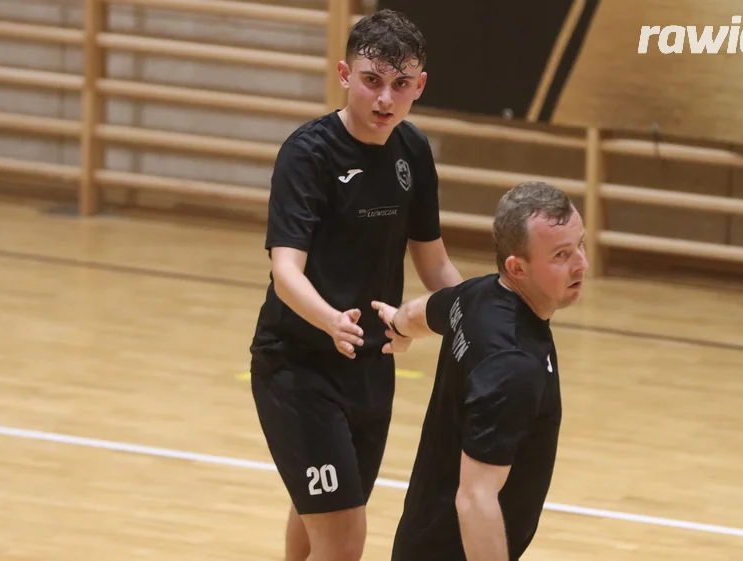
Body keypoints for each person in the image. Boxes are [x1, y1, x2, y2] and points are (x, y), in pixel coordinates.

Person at [247, 8, 462, 561]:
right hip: (298, 367)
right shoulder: (308, 154)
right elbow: (286, 271)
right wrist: (331, 321)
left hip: (370, 367)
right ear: (345, 75)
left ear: (420, 86)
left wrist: (473, 323)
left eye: (400, 85)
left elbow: (434, 264)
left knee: (319, 515)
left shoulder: (412, 150)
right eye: (371, 81)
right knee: (343, 538)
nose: (385, 100)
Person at [371, 181, 589, 561]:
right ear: (517, 268)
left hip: (423, 539)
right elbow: (475, 498)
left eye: (580, 245)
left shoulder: (480, 294)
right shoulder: (512, 366)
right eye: (561, 254)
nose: (581, 263)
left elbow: (421, 311)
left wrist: (399, 328)